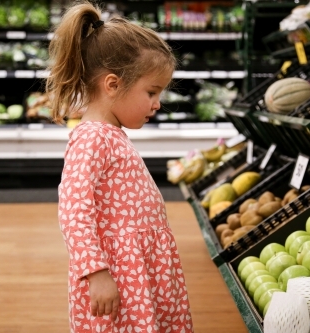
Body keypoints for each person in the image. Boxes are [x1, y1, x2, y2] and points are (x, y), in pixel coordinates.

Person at [47, 2, 194, 332]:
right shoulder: (92, 138)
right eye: (152, 92)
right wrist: (95, 272)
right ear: (112, 84)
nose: (157, 103)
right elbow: (73, 210)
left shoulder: (110, 134)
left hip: (138, 270)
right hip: (119, 276)